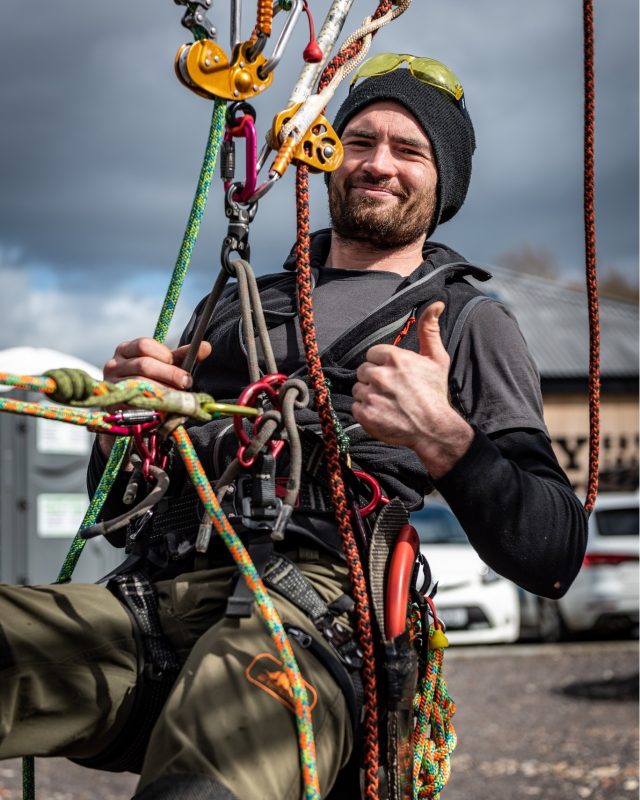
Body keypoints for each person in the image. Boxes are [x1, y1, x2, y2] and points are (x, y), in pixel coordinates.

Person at [0, 56, 588, 799]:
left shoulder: (465, 323)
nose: (377, 164)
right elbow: (117, 521)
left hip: (313, 619)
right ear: (326, 155)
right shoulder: (237, 300)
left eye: (409, 151)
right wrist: (127, 428)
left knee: (207, 774)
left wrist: (444, 437)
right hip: (159, 602)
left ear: (445, 188)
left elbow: (555, 554)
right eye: (359, 140)